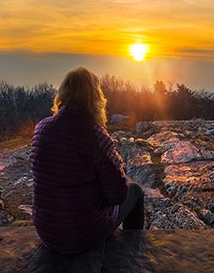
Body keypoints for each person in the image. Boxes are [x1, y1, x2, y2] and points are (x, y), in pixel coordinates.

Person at [30, 67, 144, 254]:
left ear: (63, 93)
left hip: (47, 232)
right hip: (82, 235)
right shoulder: (94, 134)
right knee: (136, 191)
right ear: (95, 97)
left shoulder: (41, 129)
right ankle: (131, 254)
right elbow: (118, 195)